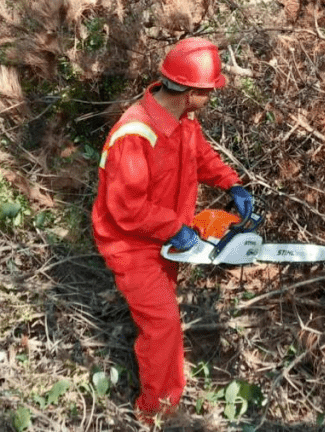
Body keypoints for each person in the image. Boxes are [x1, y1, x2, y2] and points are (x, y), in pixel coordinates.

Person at [91, 37, 254, 424]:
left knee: (161, 318)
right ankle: (157, 415)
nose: (211, 97)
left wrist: (231, 183)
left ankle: (163, 390)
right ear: (191, 91)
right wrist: (175, 229)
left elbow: (200, 157)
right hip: (130, 244)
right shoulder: (135, 134)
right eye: (209, 91)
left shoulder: (183, 118)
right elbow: (127, 208)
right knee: (163, 325)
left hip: (163, 237)